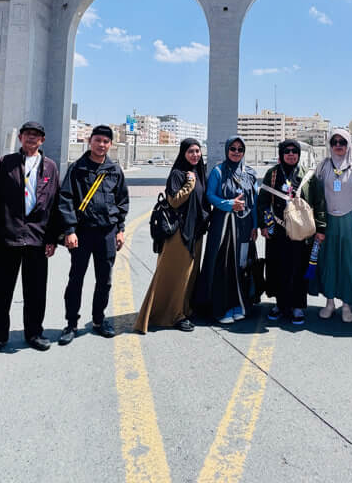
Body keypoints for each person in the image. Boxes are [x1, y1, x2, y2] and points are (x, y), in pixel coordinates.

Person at [0, 121, 60, 359]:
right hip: (8, 237)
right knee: (0, 291)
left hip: (37, 238)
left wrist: (52, 238)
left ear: (42, 140)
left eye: (36, 136)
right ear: (20, 138)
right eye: (27, 135)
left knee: (36, 291)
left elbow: (55, 204)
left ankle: (34, 333)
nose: (32, 139)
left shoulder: (50, 167)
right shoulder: (6, 163)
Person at [58, 125, 129, 342]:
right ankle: (71, 324)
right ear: (90, 141)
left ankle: (98, 319)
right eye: (97, 140)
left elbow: (122, 201)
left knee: (104, 280)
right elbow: (66, 199)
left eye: (106, 141)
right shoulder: (78, 168)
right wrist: (69, 230)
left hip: (107, 233)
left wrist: (120, 229)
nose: (101, 145)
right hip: (82, 232)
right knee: (76, 279)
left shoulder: (114, 170)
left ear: (110, 144)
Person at [135, 138, 209, 334]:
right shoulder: (179, 174)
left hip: (195, 232)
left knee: (189, 275)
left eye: (197, 151)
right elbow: (174, 201)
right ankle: (171, 316)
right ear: (183, 153)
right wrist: (189, 184)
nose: (195, 155)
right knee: (176, 275)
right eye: (191, 151)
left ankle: (183, 310)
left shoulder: (200, 173)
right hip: (179, 233)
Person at [257, 139, 326, 325]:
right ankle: (280, 305)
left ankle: (297, 306)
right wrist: (264, 225)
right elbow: (262, 202)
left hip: (301, 232)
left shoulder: (308, 176)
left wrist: (321, 228)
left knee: (299, 268)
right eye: (286, 151)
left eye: (294, 151)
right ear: (281, 154)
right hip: (277, 231)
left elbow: (319, 202)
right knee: (277, 268)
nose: (290, 154)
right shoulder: (271, 174)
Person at [198, 135, 258, 324]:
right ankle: (221, 307)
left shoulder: (250, 173)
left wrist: (255, 225)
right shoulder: (218, 171)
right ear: (227, 150)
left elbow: (254, 202)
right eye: (233, 148)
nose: (236, 152)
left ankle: (239, 304)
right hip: (223, 227)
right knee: (222, 266)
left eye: (240, 149)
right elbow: (210, 195)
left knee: (241, 266)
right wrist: (229, 204)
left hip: (244, 226)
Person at [315, 128, 352, 322]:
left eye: (342, 142)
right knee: (329, 261)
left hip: (350, 221)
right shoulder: (323, 165)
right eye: (334, 142)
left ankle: (347, 304)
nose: (338, 146)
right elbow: (316, 194)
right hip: (328, 221)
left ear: (349, 145)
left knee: (349, 262)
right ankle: (330, 302)